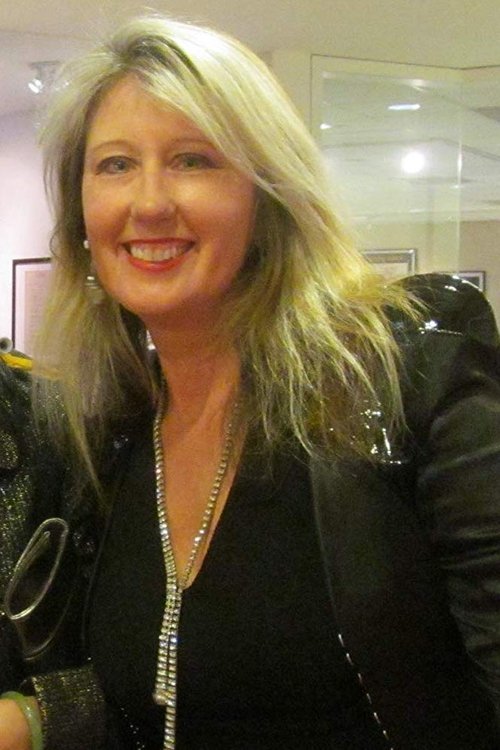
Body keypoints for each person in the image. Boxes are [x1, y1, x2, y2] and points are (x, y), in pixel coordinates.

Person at [1, 13, 500, 750]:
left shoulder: (410, 375)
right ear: (81, 215)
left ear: (268, 196)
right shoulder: (110, 434)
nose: (149, 203)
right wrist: (31, 722)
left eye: (193, 160)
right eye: (115, 165)